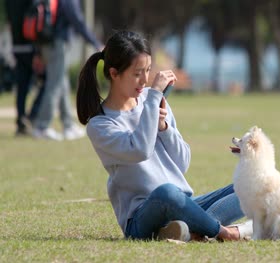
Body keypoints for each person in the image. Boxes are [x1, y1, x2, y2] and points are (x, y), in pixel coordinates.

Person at [76, 31, 252, 241]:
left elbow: (183, 163)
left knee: (249, 183)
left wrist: (164, 128)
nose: (144, 80)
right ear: (114, 74)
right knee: (166, 193)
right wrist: (152, 101)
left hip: (185, 203)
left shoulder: (154, 102)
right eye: (137, 73)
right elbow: (139, 149)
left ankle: (191, 229)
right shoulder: (101, 124)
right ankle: (225, 232)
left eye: (148, 70)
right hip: (143, 216)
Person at [32, 0, 103, 140]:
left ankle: (68, 125)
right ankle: (42, 126)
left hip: (47, 43)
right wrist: (95, 43)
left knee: (62, 83)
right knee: (55, 84)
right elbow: (78, 21)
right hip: (58, 44)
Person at [5, 0, 46, 136]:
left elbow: (10, 21)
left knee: (22, 85)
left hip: (16, 45)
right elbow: (36, 18)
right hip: (30, 46)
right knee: (48, 80)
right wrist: (39, 51)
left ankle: (21, 120)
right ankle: (32, 116)